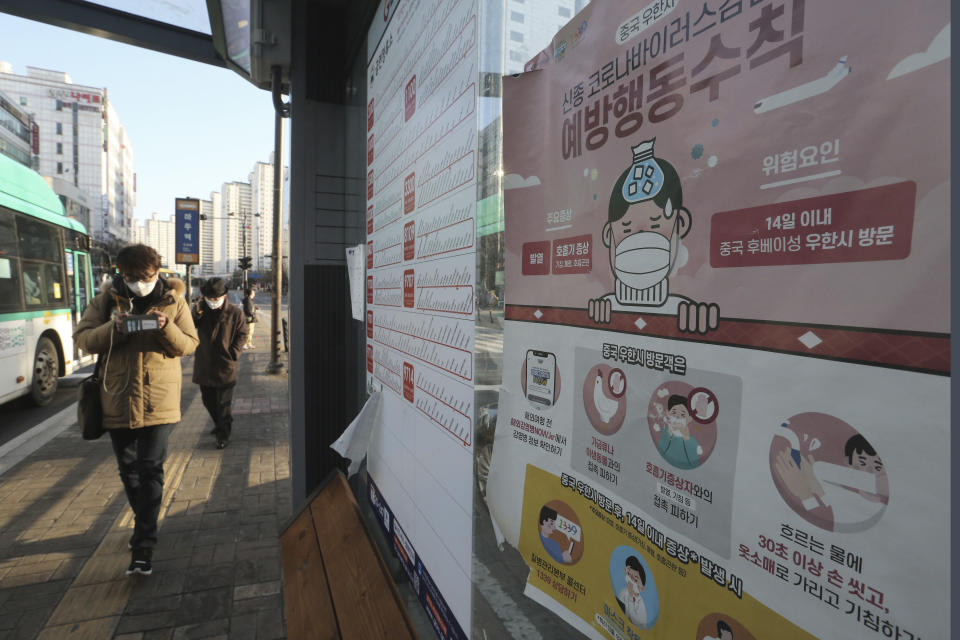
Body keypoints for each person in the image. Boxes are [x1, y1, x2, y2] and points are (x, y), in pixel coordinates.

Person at [74, 244, 198, 577]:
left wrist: (164, 327)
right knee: (129, 470)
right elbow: (82, 339)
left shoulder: (174, 301)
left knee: (151, 469)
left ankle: (143, 544)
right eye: (132, 278)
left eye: (147, 277)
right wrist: (112, 329)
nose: (140, 284)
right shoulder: (105, 301)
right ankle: (145, 520)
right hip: (116, 399)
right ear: (121, 274)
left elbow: (189, 344)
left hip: (160, 401)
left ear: (158, 272)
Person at [587, 138, 718, 333]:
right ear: (609, 235)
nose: (639, 239)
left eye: (656, 224)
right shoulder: (610, 303)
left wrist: (697, 317)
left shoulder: (680, 306)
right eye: (626, 228)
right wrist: (601, 309)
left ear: (680, 224)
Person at [192, 278, 248, 449]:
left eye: (216, 298)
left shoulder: (235, 313)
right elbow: (189, 326)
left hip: (226, 365)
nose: (213, 301)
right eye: (210, 298)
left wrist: (233, 353)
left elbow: (242, 334)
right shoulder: (201, 311)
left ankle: (223, 434)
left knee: (223, 403)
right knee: (208, 400)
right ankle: (221, 423)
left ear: (224, 296)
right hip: (205, 363)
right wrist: (196, 312)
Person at [655, 394, 703, 469]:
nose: (677, 417)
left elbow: (694, 461)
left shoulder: (691, 441)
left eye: (682, 414)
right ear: (668, 413)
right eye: (674, 413)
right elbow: (660, 451)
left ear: (689, 419)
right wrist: (669, 433)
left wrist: (686, 437)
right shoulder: (664, 432)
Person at [616, 555, 648, 627]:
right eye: (630, 576)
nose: (632, 580)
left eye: (636, 579)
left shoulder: (640, 603)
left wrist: (631, 596)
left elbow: (637, 622)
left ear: (642, 588)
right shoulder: (623, 593)